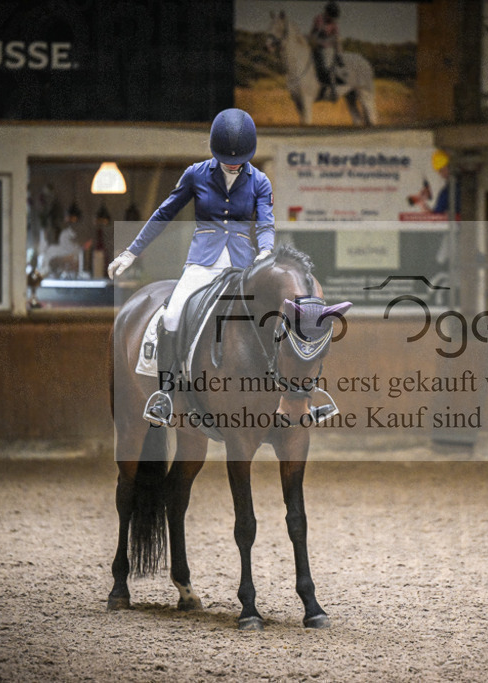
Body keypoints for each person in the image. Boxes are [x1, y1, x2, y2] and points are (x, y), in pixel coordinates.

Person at [107, 108, 275, 426]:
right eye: (226, 158)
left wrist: (265, 251)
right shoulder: (196, 173)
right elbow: (164, 213)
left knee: (271, 320)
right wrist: (131, 253)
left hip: (243, 263)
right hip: (203, 261)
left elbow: (265, 221)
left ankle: (279, 396)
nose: (232, 163)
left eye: (238, 160)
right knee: (172, 316)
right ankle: (166, 394)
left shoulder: (260, 181)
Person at [310, 1, 344, 101]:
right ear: (326, 12)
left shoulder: (334, 24)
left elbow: (337, 39)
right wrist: (314, 40)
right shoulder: (318, 19)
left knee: (325, 66)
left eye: (334, 17)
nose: (333, 19)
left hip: (328, 48)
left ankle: (332, 90)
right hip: (317, 46)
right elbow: (312, 33)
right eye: (331, 16)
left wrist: (339, 54)